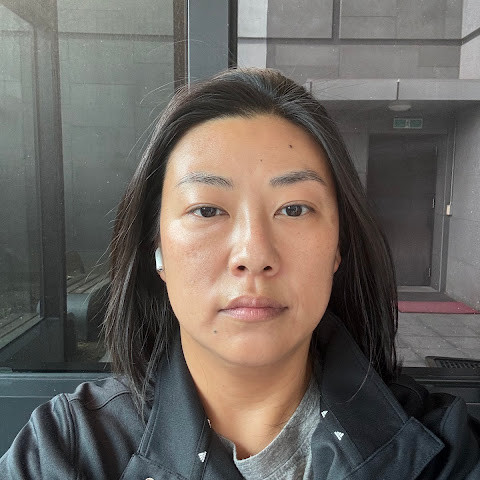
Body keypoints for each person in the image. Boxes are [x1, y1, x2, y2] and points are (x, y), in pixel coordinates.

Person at [1, 68, 479, 479]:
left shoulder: (444, 451)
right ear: (157, 249)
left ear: (339, 246)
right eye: (207, 210)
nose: (254, 254)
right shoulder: (69, 449)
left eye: (294, 208)